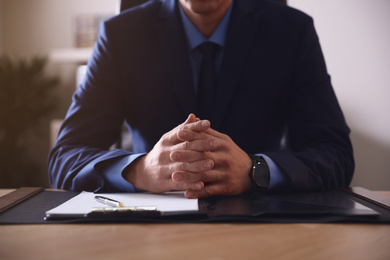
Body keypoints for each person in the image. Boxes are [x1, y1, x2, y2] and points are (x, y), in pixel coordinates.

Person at [48, 0, 354, 199]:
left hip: (261, 224)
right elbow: (65, 156)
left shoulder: (292, 32)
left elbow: (336, 154)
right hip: (147, 228)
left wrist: (257, 170)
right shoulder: (120, 35)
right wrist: (139, 170)